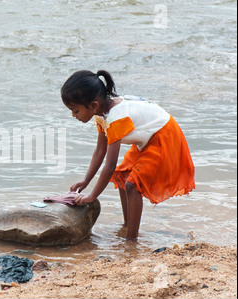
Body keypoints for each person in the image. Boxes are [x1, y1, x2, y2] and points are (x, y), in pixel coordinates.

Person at [61, 70, 195, 240]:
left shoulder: (116, 118)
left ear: (93, 105)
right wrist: (86, 180)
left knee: (132, 184)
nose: (73, 115)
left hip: (164, 136)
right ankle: (127, 225)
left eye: (75, 110)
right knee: (122, 175)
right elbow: (100, 151)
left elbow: (109, 166)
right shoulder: (101, 114)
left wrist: (91, 196)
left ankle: (131, 239)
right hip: (147, 138)